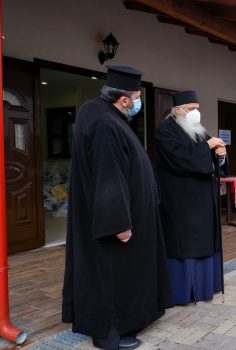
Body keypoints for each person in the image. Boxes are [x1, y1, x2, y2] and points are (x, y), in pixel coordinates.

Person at [62, 66, 172, 350]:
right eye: (136, 98)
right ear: (123, 100)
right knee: (110, 277)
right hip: (115, 222)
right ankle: (109, 334)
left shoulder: (104, 115)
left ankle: (121, 324)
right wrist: (119, 223)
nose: (138, 103)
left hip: (123, 216)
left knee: (117, 277)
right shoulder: (104, 124)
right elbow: (109, 176)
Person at [156, 91, 227, 305]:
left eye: (197, 108)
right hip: (180, 202)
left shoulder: (200, 131)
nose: (196, 113)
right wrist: (207, 147)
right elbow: (181, 158)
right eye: (190, 109)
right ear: (177, 110)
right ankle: (183, 292)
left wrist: (221, 158)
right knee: (183, 245)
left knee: (205, 241)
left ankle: (205, 287)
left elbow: (213, 162)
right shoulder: (166, 130)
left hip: (204, 202)